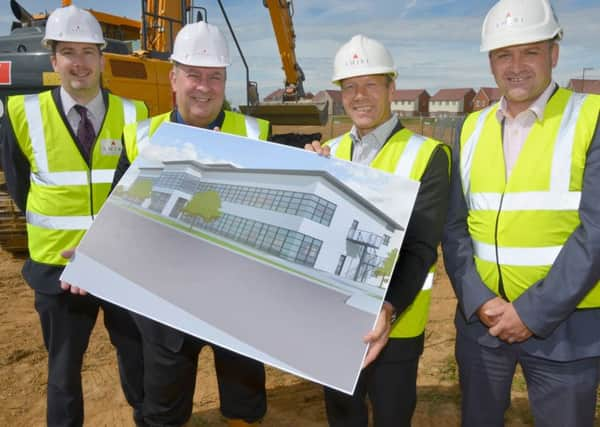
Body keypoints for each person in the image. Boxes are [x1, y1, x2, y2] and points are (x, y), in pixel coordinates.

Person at [442, 0, 600, 426]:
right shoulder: (470, 128)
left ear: (554, 54)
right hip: (482, 327)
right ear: (490, 62)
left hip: (565, 329)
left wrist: (530, 314)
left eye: (529, 51)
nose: (515, 66)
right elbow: (455, 226)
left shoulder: (590, 117)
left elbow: (596, 233)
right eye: (502, 54)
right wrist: (479, 299)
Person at [115, 21, 270, 427]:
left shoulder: (257, 135)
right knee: (164, 408)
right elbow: (120, 218)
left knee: (244, 406)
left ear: (225, 81)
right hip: (164, 300)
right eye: (194, 75)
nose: (204, 87)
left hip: (237, 299)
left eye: (214, 77)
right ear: (173, 77)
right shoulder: (142, 139)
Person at [0, 5, 148, 426]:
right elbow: (18, 184)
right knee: (63, 373)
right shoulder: (22, 114)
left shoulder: (134, 115)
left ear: (103, 58)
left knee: (137, 360)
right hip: (56, 268)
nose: (79, 63)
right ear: (54, 60)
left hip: (121, 265)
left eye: (88, 52)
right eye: (68, 52)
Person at [306, 34, 450, 427]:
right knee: (343, 417)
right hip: (334, 319)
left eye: (371, 84)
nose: (360, 95)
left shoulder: (428, 155)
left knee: (391, 416)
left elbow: (421, 246)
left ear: (391, 88)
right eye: (350, 86)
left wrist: (387, 309)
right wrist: (310, 179)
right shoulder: (328, 153)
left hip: (397, 322)